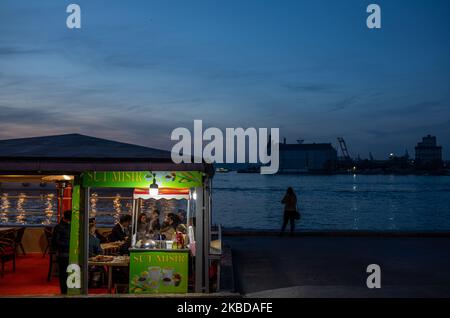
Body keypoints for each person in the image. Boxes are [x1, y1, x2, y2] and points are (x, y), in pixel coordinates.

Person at [51, 210, 71, 294]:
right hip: (64, 253)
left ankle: (67, 290)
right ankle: (64, 291)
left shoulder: (65, 226)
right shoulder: (59, 227)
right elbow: (56, 242)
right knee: (64, 274)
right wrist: (69, 245)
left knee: (66, 274)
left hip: (67, 252)